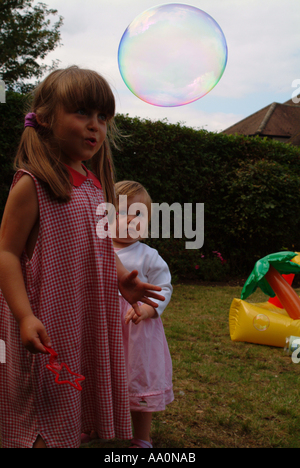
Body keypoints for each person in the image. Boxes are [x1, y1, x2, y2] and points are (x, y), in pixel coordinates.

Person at [0, 66, 164, 449]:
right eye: (82, 114)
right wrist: (24, 316)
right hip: (42, 318)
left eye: (103, 118)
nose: (95, 126)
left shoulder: (92, 185)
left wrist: (122, 275)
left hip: (79, 317)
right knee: (40, 409)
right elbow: (6, 252)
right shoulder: (33, 184)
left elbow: (99, 244)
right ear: (44, 119)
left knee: (66, 403)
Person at [114, 180, 174, 449]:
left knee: (138, 383)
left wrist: (150, 309)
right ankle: (92, 424)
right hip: (102, 329)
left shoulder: (148, 256)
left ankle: (142, 436)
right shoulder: (97, 251)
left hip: (137, 334)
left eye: (139, 213)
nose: (130, 219)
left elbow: (164, 287)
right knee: (99, 376)